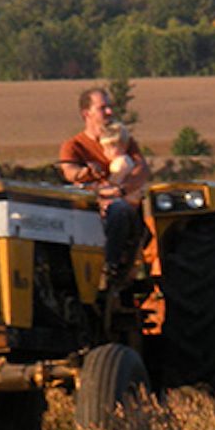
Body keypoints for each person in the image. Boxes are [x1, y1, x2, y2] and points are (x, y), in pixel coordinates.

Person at [59, 87, 151, 289]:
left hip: (123, 210)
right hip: (90, 208)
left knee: (120, 209)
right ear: (87, 114)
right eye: (103, 108)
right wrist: (84, 173)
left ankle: (112, 268)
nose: (109, 112)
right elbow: (70, 172)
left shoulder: (124, 140)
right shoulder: (74, 146)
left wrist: (121, 191)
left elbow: (141, 170)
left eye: (110, 107)